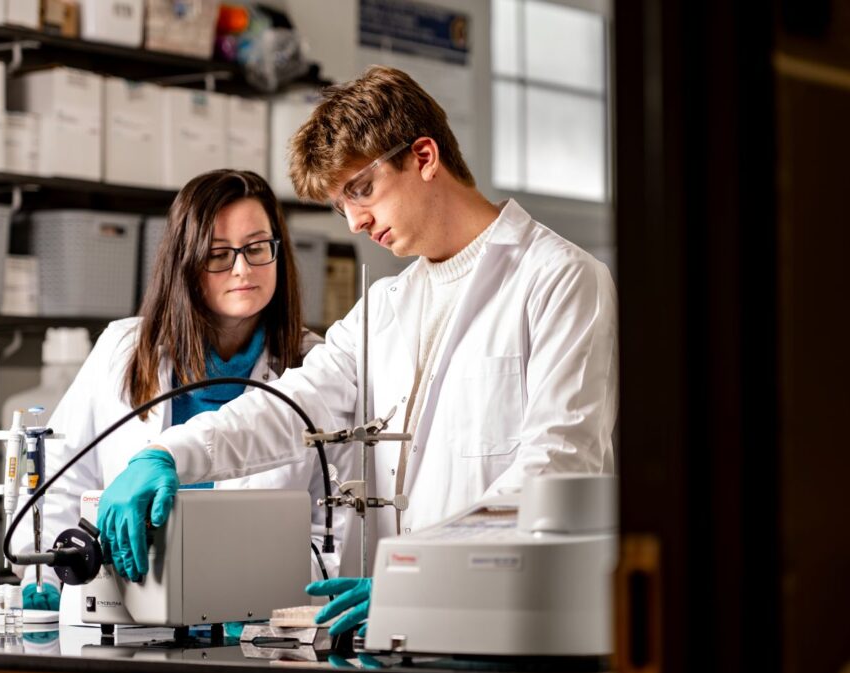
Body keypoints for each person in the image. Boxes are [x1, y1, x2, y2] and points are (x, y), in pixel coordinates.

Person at [98, 66, 619, 637]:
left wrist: (420, 577)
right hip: (397, 629)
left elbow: (556, 467)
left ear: (424, 157)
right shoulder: (386, 307)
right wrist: (170, 455)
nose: (354, 220)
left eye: (361, 189)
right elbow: (290, 405)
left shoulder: (561, 279)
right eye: (340, 204)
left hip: (515, 623)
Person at [11, 170, 355, 617]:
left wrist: (270, 600)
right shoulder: (126, 348)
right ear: (186, 261)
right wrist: (52, 573)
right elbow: (57, 481)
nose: (242, 269)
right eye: (218, 254)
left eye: (256, 248)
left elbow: (334, 522)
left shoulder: (314, 367)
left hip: (261, 625)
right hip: (125, 612)